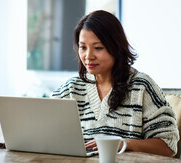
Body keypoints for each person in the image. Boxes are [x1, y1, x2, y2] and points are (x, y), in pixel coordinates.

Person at [51, 10, 179, 157]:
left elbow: (168, 146)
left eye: (98, 47)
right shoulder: (70, 89)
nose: (88, 56)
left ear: (116, 47)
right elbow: (44, 132)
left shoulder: (142, 86)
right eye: (83, 47)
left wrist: (124, 143)